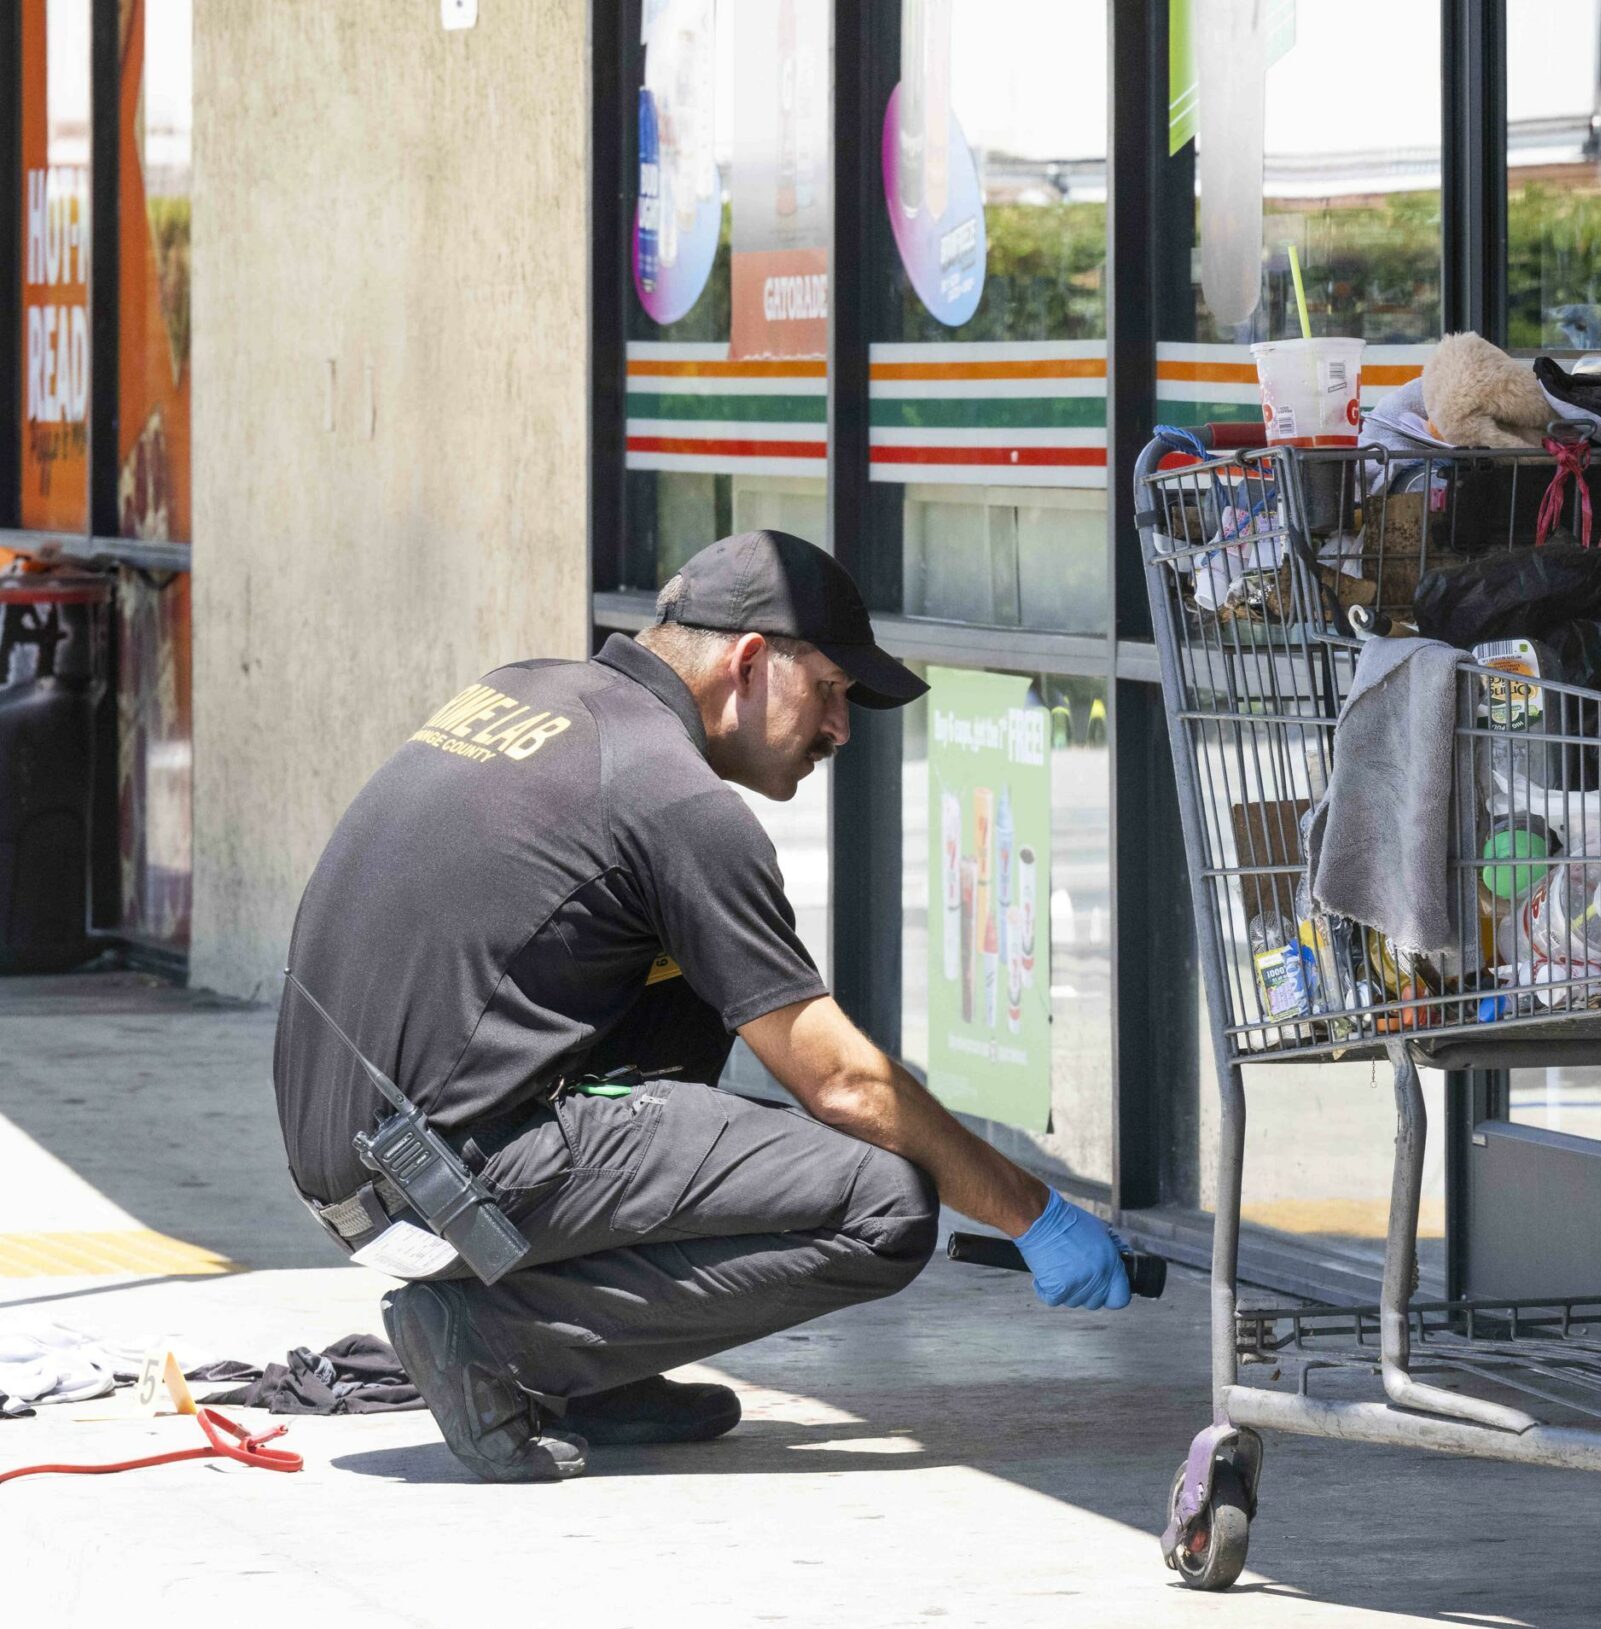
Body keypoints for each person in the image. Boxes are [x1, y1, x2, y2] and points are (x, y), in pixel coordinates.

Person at [271, 529, 1130, 1483]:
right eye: (834, 691)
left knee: (700, 984)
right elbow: (842, 1081)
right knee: (883, 1203)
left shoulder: (527, 691)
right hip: (442, 1169)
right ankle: (504, 1342)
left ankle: (594, 1372)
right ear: (751, 661)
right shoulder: (675, 800)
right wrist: (1035, 1212)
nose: (843, 729)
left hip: (346, 1160)